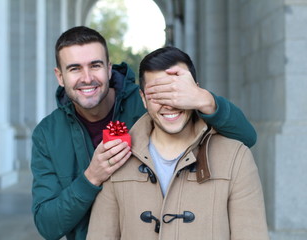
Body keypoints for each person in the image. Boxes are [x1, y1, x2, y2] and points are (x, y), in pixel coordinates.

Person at [31, 26, 258, 240]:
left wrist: (204, 99)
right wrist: (92, 176)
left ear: (109, 68)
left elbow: (245, 138)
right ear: (60, 76)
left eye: (96, 65)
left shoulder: (151, 104)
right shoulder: (47, 135)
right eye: (74, 68)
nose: (87, 77)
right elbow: (48, 226)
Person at [86, 46, 269, 240]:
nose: (169, 103)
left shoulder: (236, 158)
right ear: (143, 99)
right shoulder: (117, 156)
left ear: (194, 92)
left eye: (176, 91)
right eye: (157, 94)